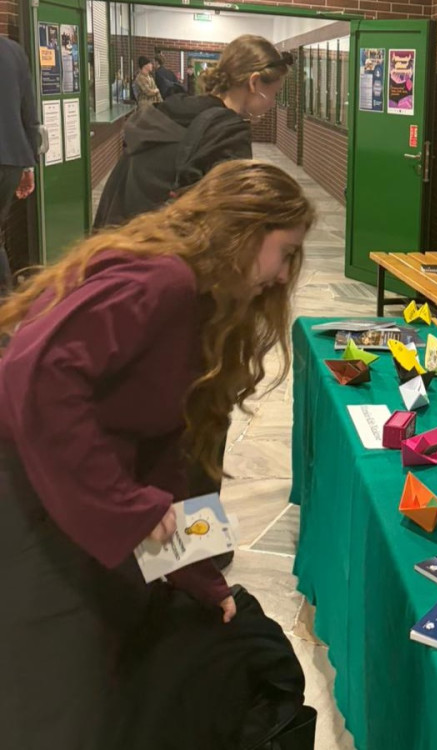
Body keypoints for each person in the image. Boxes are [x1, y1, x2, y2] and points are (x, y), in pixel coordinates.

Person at [0, 159, 314, 749]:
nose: (281, 276)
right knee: (53, 700)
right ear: (244, 232)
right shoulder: (161, 282)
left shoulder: (197, 303)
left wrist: (199, 571)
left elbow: (170, 455)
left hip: (71, 502)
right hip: (30, 505)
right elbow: (36, 376)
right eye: (285, 253)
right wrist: (124, 504)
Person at [95, 35, 294, 229]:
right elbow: (228, 225)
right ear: (254, 82)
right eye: (274, 93)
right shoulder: (227, 132)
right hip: (165, 245)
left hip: (120, 235)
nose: (272, 103)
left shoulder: (169, 110)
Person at [0, 37, 39, 296]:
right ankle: (6, 305)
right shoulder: (14, 51)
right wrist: (28, 166)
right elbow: (29, 114)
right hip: (12, 159)